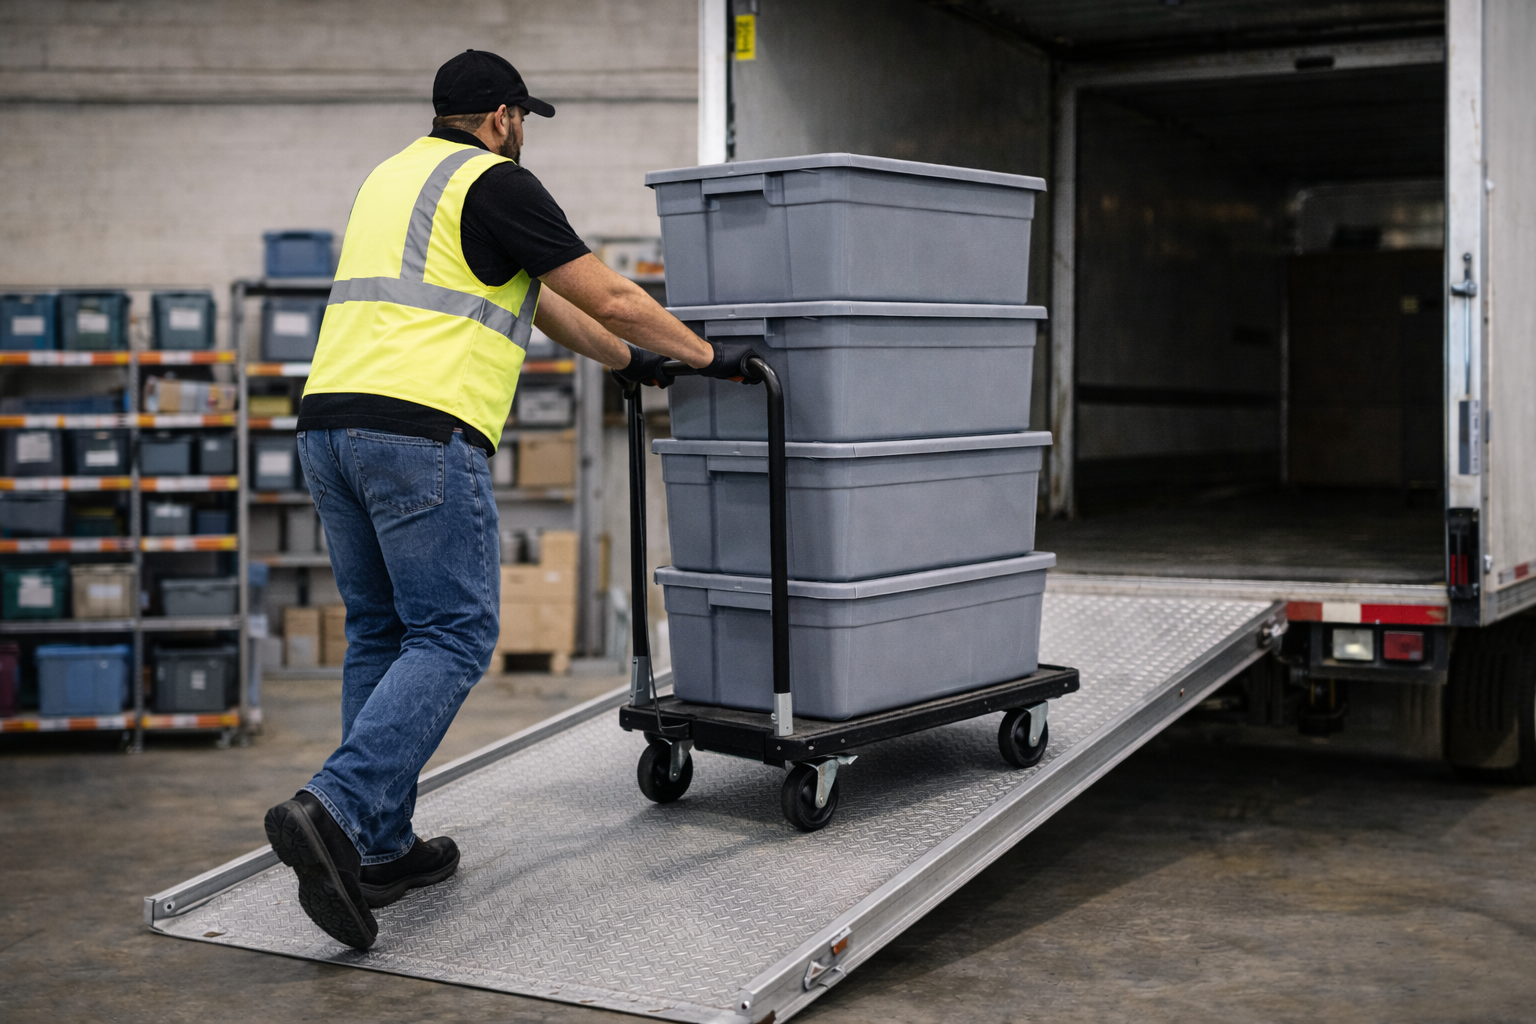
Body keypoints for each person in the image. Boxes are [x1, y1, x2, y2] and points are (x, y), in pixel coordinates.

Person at [262, 49, 755, 951]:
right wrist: (700, 354)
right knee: (454, 633)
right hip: (418, 435)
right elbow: (605, 289)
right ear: (500, 116)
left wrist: (627, 359)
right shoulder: (495, 182)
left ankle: (376, 846)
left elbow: (545, 303)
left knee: (382, 632)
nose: (523, 133)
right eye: (523, 118)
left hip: (328, 431)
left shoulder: (393, 180)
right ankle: (332, 807)